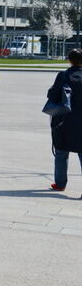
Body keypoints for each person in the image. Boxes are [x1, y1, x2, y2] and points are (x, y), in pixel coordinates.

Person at [47, 49, 82, 192]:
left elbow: (52, 95)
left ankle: (60, 184)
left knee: (61, 152)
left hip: (64, 120)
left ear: (69, 60)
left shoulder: (63, 76)